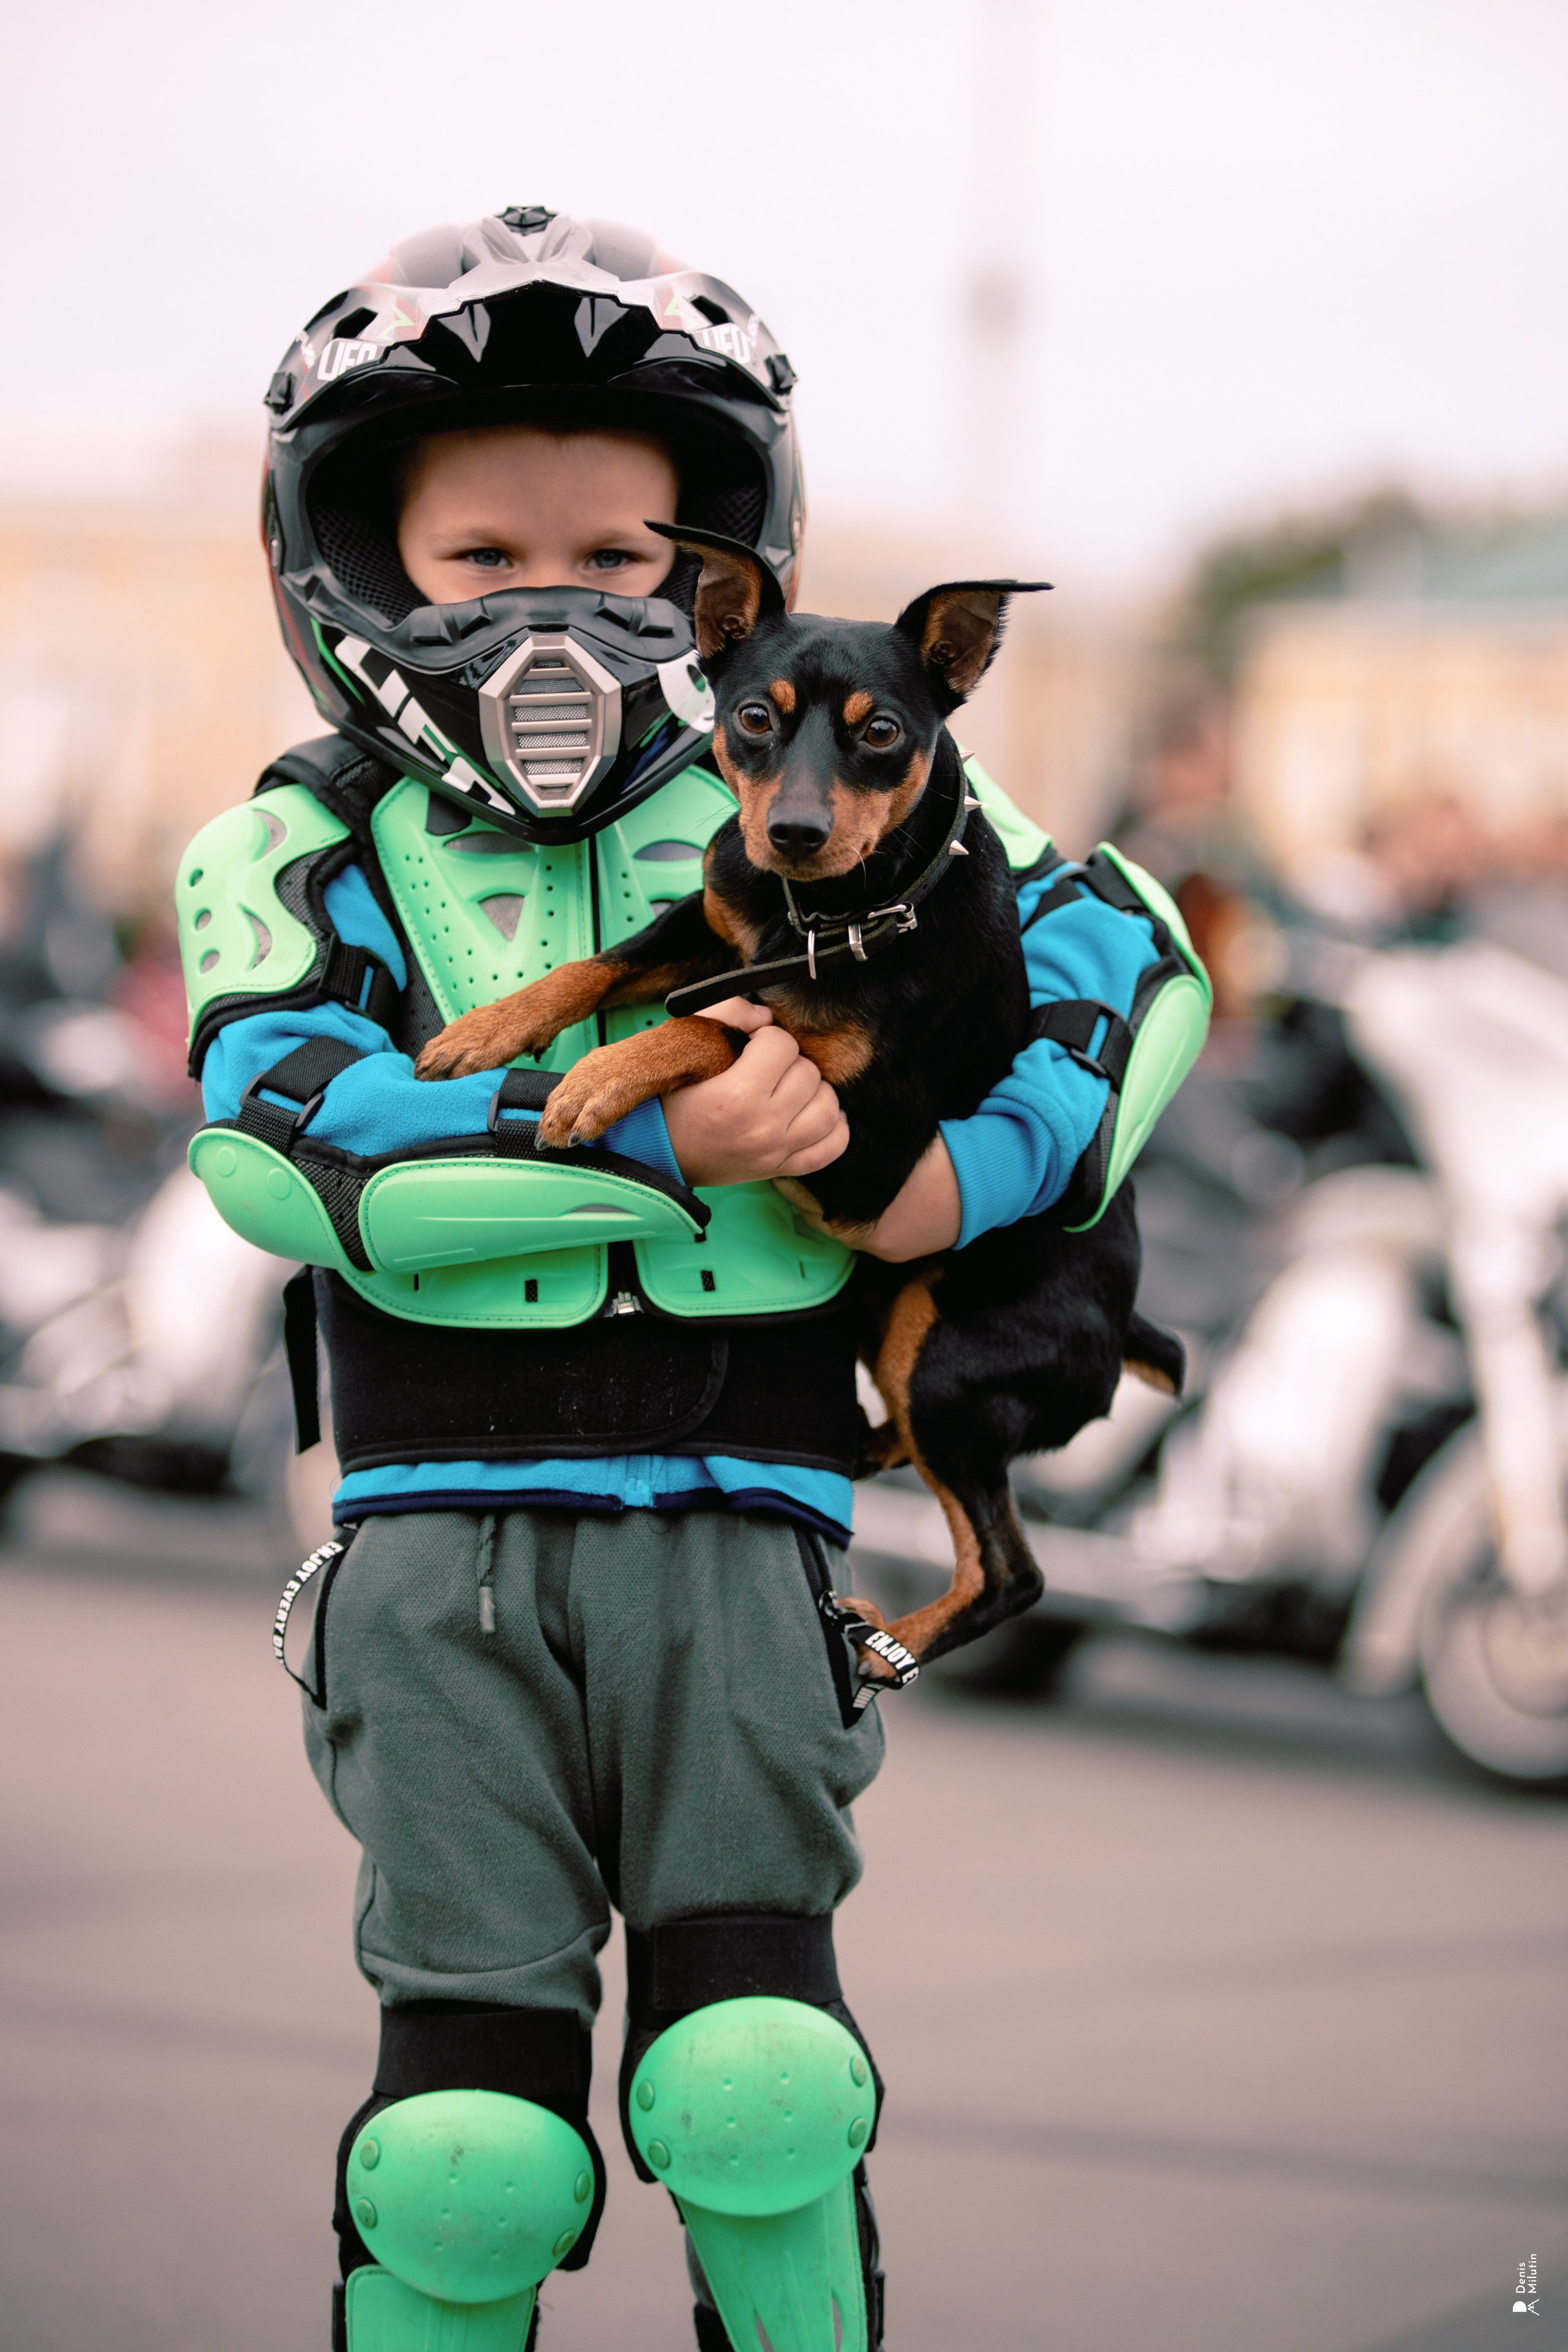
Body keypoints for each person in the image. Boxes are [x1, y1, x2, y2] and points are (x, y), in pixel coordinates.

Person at [177, 206, 1201, 2352]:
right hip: (434, 1554)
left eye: (618, 553)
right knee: (465, 2159)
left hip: (749, 1535)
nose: (549, 601)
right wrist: (674, 1139)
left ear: (717, 567)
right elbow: (278, 1139)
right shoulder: (297, 836)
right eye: (481, 553)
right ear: (352, 563)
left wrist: (958, 1182)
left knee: (761, 2091)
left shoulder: (876, 781)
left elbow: (1142, 962)